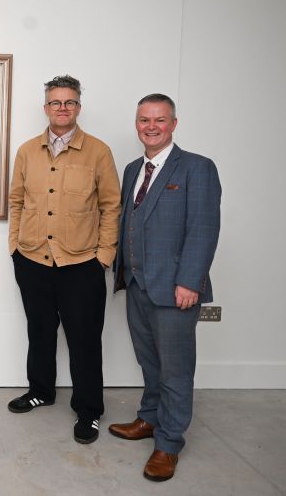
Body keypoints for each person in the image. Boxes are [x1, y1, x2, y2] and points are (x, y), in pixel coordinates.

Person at [109, 94, 221, 481]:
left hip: (176, 289)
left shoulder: (197, 168)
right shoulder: (131, 170)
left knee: (175, 370)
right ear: (137, 124)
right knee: (149, 361)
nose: (151, 126)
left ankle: (169, 443)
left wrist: (191, 280)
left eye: (159, 119)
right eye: (144, 120)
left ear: (174, 123)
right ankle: (150, 419)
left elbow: (204, 229)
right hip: (137, 283)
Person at [7, 75, 121, 444]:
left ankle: (88, 411)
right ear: (46, 108)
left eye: (69, 102)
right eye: (56, 102)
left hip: (81, 264)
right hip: (32, 259)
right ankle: (41, 390)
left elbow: (110, 206)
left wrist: (103, 257)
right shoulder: (26, 151)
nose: (62, 108)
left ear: (78, 107)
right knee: (39, 331)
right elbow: (16, 202)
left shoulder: (98, 152)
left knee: (84, 340)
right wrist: (15, 248)